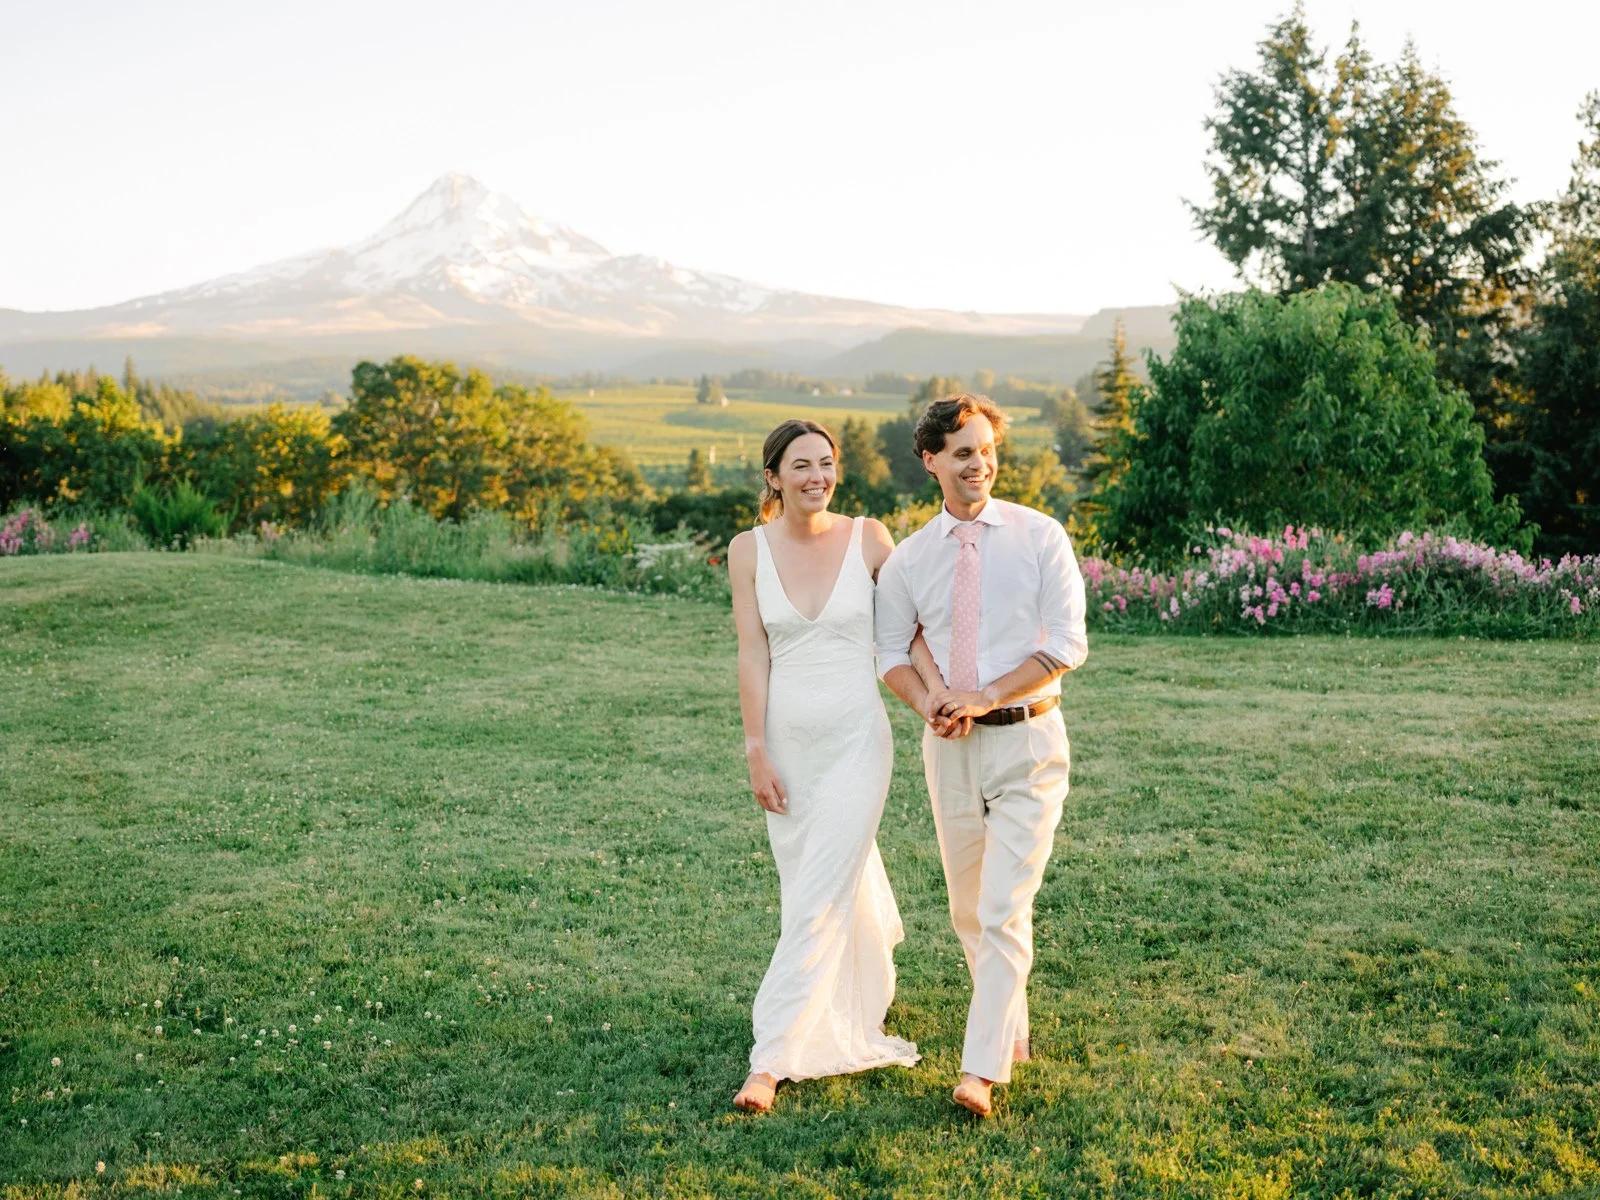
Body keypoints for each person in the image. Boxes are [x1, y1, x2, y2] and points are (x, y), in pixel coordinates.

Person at [874, 393, 1089, 1118]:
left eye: (987, 449)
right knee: (969, 909)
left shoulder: (1040, 536)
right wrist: (929, 700)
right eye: (963, 452)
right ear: (931, 460)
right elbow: (891, 650)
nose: (980, 464)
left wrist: (987, 694)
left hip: (1028, 740)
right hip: (951, 754)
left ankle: (981, 1070)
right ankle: (1010, 1023)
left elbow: (1065, 644)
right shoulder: (908, 559)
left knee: (1001, 907)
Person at [726, 418, 942, 1114]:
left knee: (820, 893)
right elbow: (753, 653)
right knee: (808, 891)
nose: (816, 476)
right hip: (788, 746)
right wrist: (756, 750)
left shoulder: (870, 538)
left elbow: (915, 624)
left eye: (826, 463)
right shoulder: (747, 551)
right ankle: (839, 1006)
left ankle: (770, 1060)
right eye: (800, 465)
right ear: (773, 477)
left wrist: (939, 694)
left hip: (857, 741)